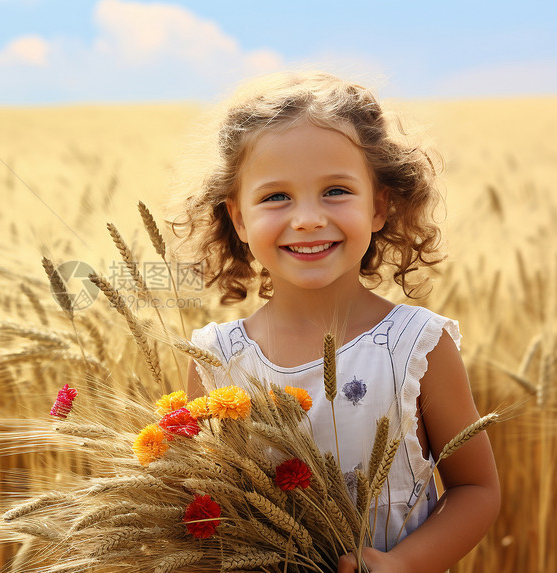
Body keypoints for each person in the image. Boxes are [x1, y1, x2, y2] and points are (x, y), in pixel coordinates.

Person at [175, 72, 500, 572]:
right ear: (238, 219)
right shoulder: (215, 359)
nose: (307, 218)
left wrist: (405, 564)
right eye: (276, 197)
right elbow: (193, 506)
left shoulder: (416, 348)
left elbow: (475, 488)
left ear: (380, 205)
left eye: (336, 191)